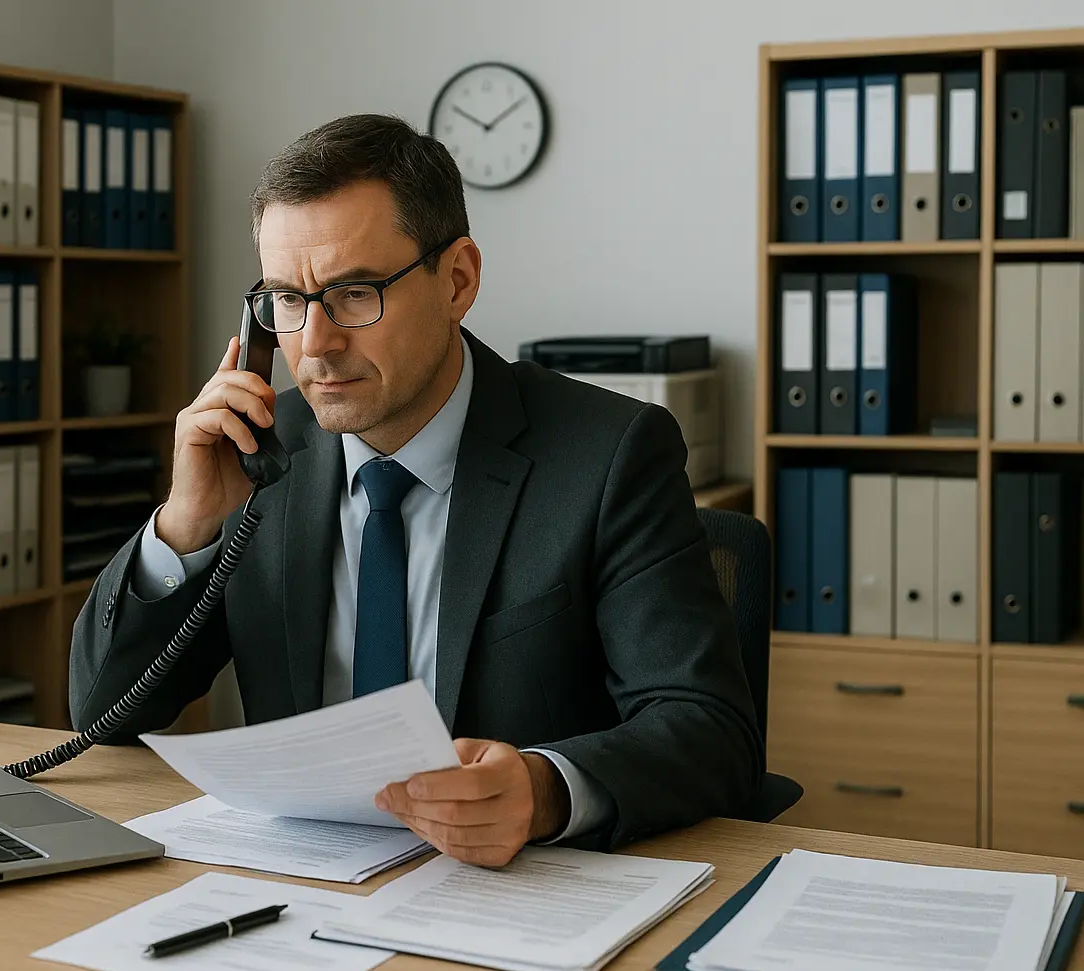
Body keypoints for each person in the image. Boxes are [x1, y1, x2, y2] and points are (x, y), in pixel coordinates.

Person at [71, 113, 762, 866]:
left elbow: (708, 728)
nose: (316, 344)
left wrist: (546, 788)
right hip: (304, 883)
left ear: (458, 280)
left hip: (515, 889)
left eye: (355, 293)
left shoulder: (609, 454)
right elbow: (104, 716)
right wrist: (186, 526)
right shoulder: (257, 459)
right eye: (287, 301)